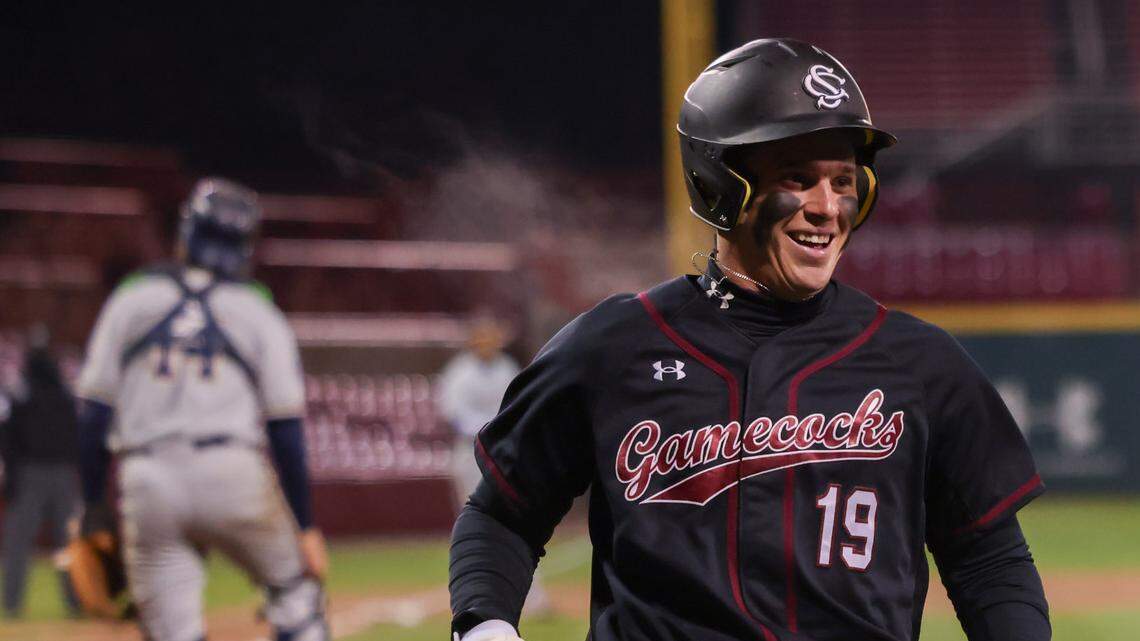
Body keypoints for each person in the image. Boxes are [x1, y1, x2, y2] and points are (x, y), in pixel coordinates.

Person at [448, 39, 1050, 641]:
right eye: (798, 178)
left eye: (844, 181)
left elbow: (989, 561)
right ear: (718, 185)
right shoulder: (613, 348)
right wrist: (483, 626)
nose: (827, 207)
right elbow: (502, 514)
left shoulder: (920, 363)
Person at [75, 178, 330, 641]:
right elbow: (285, 427)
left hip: (147, 478)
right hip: (232, 473)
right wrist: (307, 527)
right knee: (295, 596)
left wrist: (91, 505)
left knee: (172, 631)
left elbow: (92, 414)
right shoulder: (256, 308)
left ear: (187, 232)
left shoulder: (133, 295)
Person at [0, 333, 81, 617]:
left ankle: (12, 606)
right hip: (61, 475)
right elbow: (77, 436)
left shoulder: (20, 400)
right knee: (67, 547)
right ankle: (75, 603)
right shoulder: (66, 397)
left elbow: (8, 441)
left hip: (30, 475)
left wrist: (10, 480)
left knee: (19, 545)